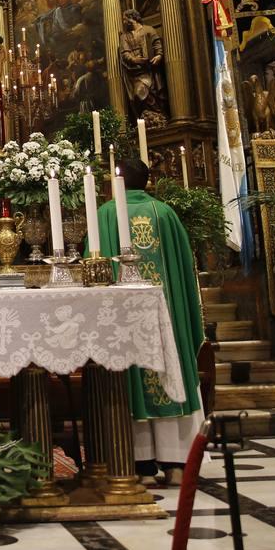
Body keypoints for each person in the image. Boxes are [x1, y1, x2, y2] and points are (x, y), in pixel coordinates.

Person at [97, 159, 204, 485]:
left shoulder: (107, 213)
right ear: (146, 181)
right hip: (167, 315)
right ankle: (175, 463)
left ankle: (140, 464)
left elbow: (95, 264)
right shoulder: (166, 214)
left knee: (132, 369)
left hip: (124, 318)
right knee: (168, 364)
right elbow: (186, 270)